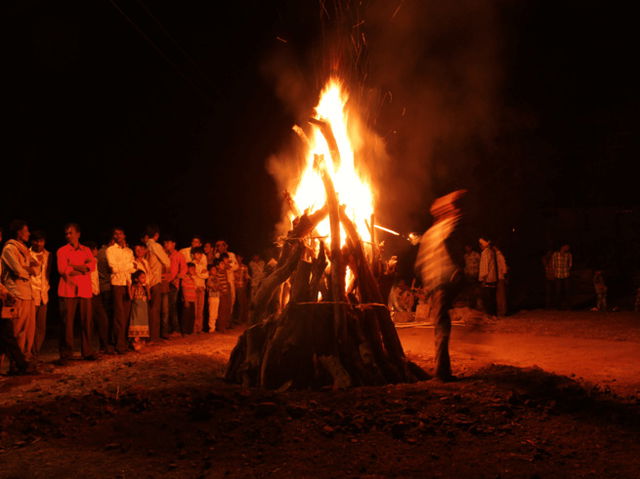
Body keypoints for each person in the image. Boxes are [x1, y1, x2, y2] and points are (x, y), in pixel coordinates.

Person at [415, 190, 466, 381]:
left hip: (439, 283)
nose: (457, 213)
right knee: (442, 325)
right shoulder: (443, 230)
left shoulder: (431, 233)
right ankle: (442, 372)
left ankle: (442, 370)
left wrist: (427, 284)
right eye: (453, 210)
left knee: (441, 323)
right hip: (444, 282)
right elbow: (449, 250)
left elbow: (419, 264)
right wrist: (455, 270)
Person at [57, 223, 98, 362]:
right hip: (68, 290)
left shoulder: (86, 250)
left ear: (78, 234)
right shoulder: (62, 251)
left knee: (87, 322)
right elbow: (63, 270)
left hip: (84, 290)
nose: (68, 236)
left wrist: (73, 266)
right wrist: (82, 268)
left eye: (70, 233)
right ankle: (66, 353)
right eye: (66, 233)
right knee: (66, 324)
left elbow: (91, 266)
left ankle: (87, 351)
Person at [1, 226, 37, 375]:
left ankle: (20, 363)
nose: (28, 233)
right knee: (12, 333)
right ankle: (15, 364)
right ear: (18, 232)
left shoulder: (23, 250)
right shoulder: (10, 249)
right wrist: (28, 269)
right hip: (15, 293)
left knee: (24, 332)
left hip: (26, 292)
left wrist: (27, 268)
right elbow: (19, 271)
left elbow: (36, 268)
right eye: (26, 230)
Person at [106, 227, 135, 354]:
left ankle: (124, 342)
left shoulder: (129, 251)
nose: (118, 236)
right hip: (117, 284)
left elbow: (134, 268)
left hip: (127, 283)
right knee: (119, 316)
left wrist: (127, 267)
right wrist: (128, 266)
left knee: (127, 315)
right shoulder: (110, 250)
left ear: (124, 235)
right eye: (115, 234)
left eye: (120, 233)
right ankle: (119, 344)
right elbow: (113, 268)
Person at [142, 225, 171, 341]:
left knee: (149, 308)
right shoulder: (155, 245)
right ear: (156, 235)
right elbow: (167, 262)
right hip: (155, 280)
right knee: (155, 309)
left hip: (146, 280)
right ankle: (153, 336)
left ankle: (149, 335)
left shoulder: (145, 245)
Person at [87, 241, 113, 354]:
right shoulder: (88, 262)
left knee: (102, 320)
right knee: (90, 322)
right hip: (89, 294)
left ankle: (103, 345)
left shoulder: (96, 261)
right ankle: (91, 348)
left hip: (96, 293)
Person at [29, 230, 50, 360]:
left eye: (41, 241)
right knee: (30, 328)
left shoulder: (48, 255)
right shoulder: (26, 254)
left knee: (41, 327)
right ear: (32, 242)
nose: (38, 244)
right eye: (36, 241)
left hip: (43, 295)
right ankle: (28, 354)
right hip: (31, 293)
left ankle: (35, 354)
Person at [478, 238, 508, 317]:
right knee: (495, 297)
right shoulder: (492, 253)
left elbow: (485, 267)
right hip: (495, 278)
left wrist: (483, 278)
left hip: (494, 278)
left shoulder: (487, 253)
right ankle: (497, 313)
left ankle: (499, 313)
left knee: (496, 297)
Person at [162, 236, 185, 336]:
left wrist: (177, 278)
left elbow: (184, 269)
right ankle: (168, 329)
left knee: (172, 307)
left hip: (173, 284)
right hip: (164, 283)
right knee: (165, 308)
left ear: (174, 244)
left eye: (168, 243)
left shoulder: (179, 255)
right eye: (165, 243)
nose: (166, 245)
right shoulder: (163, 255)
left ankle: (176, 329)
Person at [128, 270, 150, 351]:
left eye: (144, 277)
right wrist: (128, 287)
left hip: (143, 308)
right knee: (136, 323)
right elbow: (131, 297)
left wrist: (148, 289)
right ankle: (135, 343)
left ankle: (141, 342)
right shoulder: (134, 287)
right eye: (142, 277)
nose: (144, 279)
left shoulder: (144, 287)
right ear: (136, 279)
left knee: (143, 323)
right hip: (136, 308)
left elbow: (149, 297)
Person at [210, 258, 232, 332]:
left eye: (223, 264)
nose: (223, 265)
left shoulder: (224, 272)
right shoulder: (217, 274)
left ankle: (224, 325)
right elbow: (218, 285)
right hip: (221, 294)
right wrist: (222, 291)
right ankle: (220, 327)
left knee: (225, 310)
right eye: (222, 264)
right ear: (217, 266)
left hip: (225, 293)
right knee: (221, 311)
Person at [191, 247, 208, 333]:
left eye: (200, 254)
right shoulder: (191, 265)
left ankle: (199, 328)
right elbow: (192, 276)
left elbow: (206, 276)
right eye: (197, 254)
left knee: (200, 309)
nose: (199, 255)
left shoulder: (202, 265)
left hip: (201, 288)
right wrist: (200, 274)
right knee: (195, 309)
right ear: (193, 255)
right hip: (195, 288)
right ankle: (194, 328)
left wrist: (198, 274)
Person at [552, 244, 572, 309]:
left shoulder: (569, 255)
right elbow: (553, 264)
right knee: (558, 290)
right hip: (558, 274)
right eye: (567, 247)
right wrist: (554, 272)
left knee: (567, 290)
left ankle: (568, 306)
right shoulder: (555, 254)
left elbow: (570, 264)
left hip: (566, 274)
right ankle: (557, 306)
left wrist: (567, 269)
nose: (568, 248)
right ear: (562, 247)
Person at [233, 255, 250, 325]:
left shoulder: (244, 267)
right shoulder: (233, 266)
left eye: (239, 257)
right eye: (237, 257)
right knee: (234, 303)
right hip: (233, 286)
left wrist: (244, 287)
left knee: (240, 303)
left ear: (242, 258)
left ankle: (240, 319)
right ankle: (233, 319)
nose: (238, 259)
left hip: (240, 286)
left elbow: (246, 278)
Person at [181, 262, 197, 334]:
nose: (193, 270)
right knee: (186, 316)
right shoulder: (184, 277)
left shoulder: (192, 278)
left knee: (192, 316)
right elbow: (184, 289)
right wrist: (186, 300)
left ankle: (190, 331)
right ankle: (184, 331)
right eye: (191, 268)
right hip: (187, 299)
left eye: (194, 268)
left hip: (192, 300)